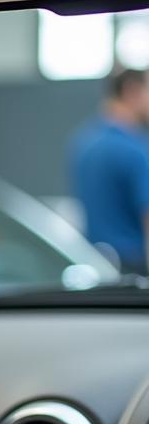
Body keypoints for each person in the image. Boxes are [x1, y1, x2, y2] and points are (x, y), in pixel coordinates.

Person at [71, 68, 149, 273]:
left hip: (95, 265)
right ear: (132, 91)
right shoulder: (135, 150)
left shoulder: (83, 142)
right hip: (133, 269)